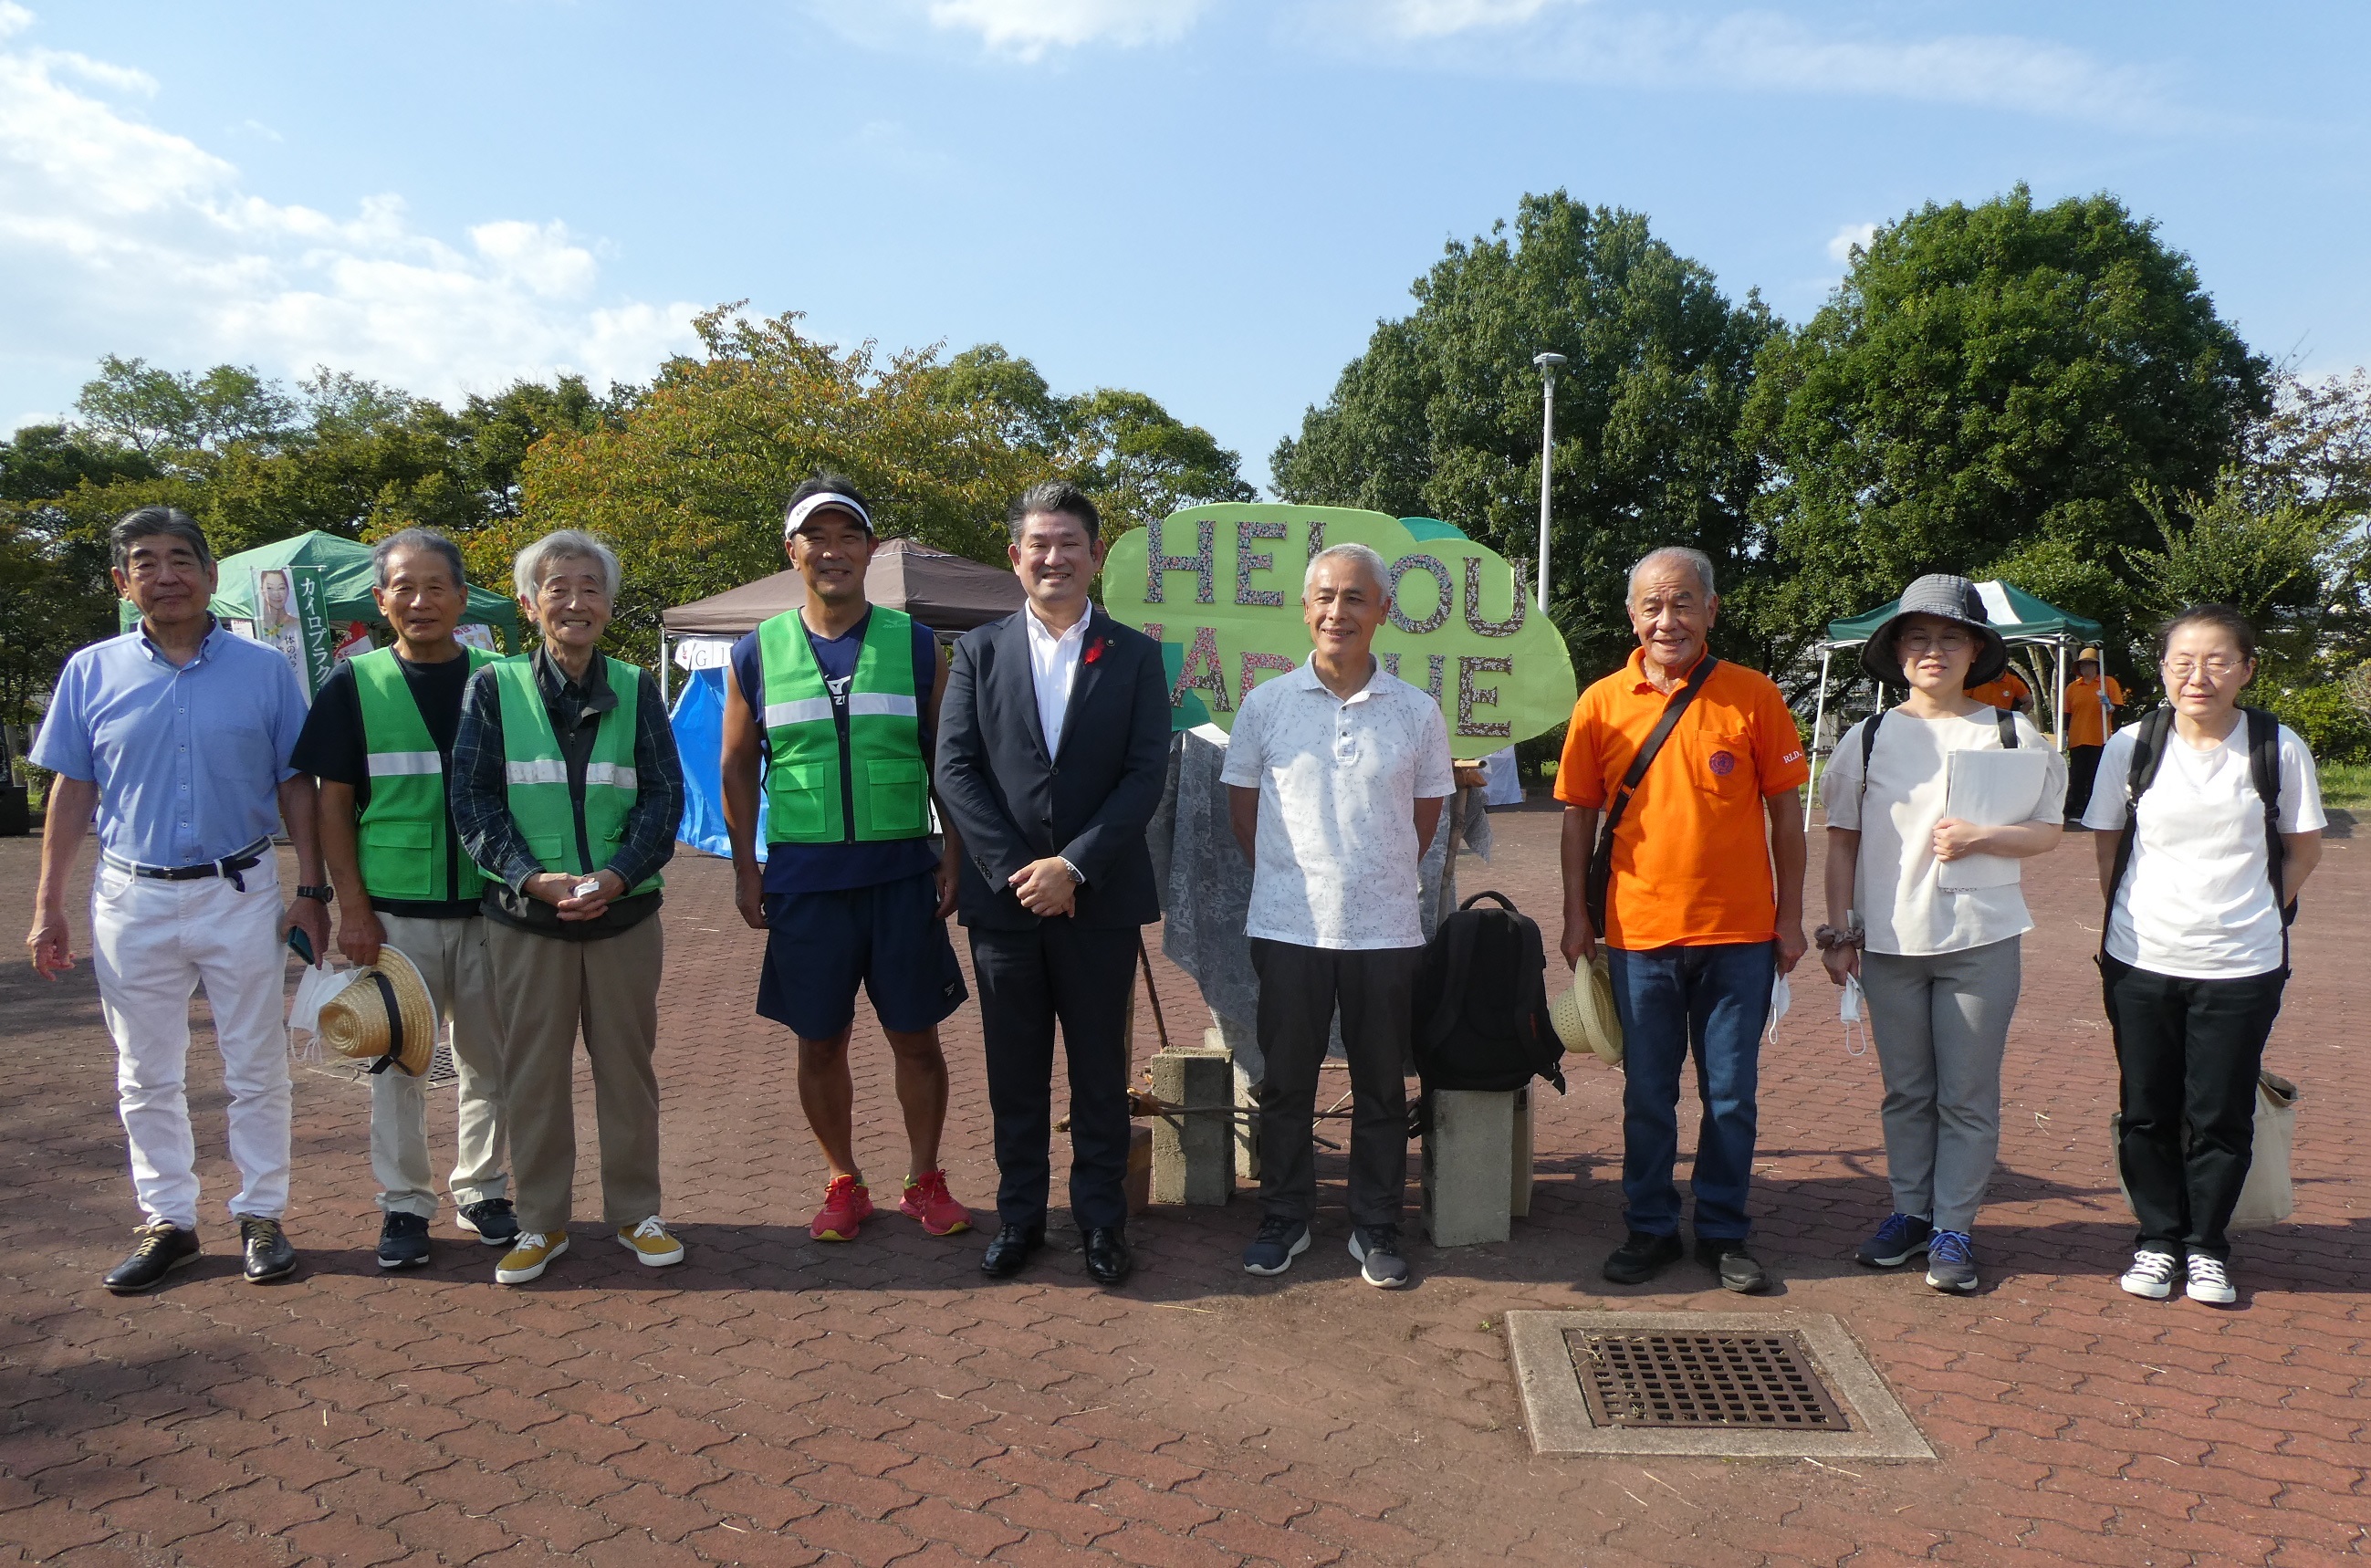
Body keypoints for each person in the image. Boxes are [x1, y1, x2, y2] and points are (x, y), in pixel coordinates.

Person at [26, 507, 327, 1291]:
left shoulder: (263, 671)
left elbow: (297, 782)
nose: (166, 577)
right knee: (144, 1071)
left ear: (209, 573)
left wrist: (311, 888)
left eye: (181, 560)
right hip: (133, 897)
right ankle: (169, 1218)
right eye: (146, 563)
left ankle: (263, 1212)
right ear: (122, 582)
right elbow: (72, 786)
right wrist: (48, 903)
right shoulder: (90, 671)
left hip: (241, 890)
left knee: (255, 1065)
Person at [719, 477, 973, 1244]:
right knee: (819, 1039)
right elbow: (735, 766)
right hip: (806, 882)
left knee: (917, 1038)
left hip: (902, 877)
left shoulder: (918, 644)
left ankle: (924, 1178)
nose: (833, 551)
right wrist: (744, 868)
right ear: (792, 551)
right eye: (816, 537)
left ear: (869, 548)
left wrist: (953, 854)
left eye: (849, 536)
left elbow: (948, 759)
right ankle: (842, 1179)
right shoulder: (755, 650)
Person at [935, 481, 1170, 1287]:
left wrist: (1073, 866)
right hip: (1005, 907)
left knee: (1100, 1074)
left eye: (1071, 543)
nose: (1055, 558)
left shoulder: (1135, 655)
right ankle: (1021, 1219)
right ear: (1015, 557)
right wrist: (1016, 870)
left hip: (1099, 900)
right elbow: (955, 769)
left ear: (1095, 555)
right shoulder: (978, 650)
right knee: (1015, 1071)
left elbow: (1145, 777)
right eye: (1040, 543)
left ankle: (1103, 1225)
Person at [1556, 546, 1809, 1293]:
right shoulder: (1600, 702)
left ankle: (1725, 1232)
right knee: (1648, 1093)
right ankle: (1651, 1227)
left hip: (1738, 938)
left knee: (1731, 1094)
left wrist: (1789, 920)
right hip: (1638, 937)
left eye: (1684, 603)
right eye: (1653, 606)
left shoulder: (1754, 695)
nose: (1669, 620)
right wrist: (1577, 915)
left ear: (1711, 609)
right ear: (1632, 616)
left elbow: (1786, 820)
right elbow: (1577, 819)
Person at [1816, 575, 2065, 1293]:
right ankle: (1909, 1213)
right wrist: (1841, 933)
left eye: (1950, 637)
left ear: (1976, 649)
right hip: (1890, 942)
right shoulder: (1866, 739)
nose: (1933, 650)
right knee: (1906, 1092)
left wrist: (1987, 834)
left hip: (1981, 938)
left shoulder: (2013, 732)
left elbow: (2047, 831)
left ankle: (1953, 1226)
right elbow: (1842, 844)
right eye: (1917, 637)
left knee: (1966, 1093)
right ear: (1896, 650)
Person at [450, 529, 686, 1285]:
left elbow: (663, 796)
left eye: (590, 587)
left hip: (622, 916)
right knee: (533, 1075)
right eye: (558, 587)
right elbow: (473, 800)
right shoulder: (494, 687)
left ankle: (635, 1212)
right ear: (530, 603)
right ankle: (541, 1223)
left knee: (628, 1071)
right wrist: (530, 879)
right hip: (527, 919)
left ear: (610, 605)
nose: (575, 601)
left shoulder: (637, 685)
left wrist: (617, 876)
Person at [1222, 543, 1454, 1289]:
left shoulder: (1417, 712)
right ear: (1303, 608)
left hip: (1386, 930)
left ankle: (1375, 1224)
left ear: (1383, 611)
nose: (1338, 612)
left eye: (1356, 598)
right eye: (1325, 596)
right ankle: (1285, 1217)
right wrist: (1303, 881)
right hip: (1288, 925)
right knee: (1286, 1081)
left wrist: (1369, 878)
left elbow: (1423, 819)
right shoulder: (1265, 704)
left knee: (1382, 1086)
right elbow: (1245, 813)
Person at [292, 528, 518, 1269]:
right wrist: (350, 907)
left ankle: (483, 1189)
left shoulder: (504, 678)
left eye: (436, 587)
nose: (420, 602)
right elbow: (333, 803)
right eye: (403, 588)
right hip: (394, 915)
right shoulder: (353, 684)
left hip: (492, 910)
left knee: (491, 1063)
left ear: (462, 597)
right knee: (397, 1063)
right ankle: (404, 1206)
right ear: (380, 599)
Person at [2084, 605, 2324, 1306]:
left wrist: (2256, 909)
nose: (2199, 675)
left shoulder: (2278, 748)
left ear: (2247, 669)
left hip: (2243, 963)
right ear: (2162, 669)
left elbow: (2302, 848)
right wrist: (2131, 914)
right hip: (2140, 956)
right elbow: (2107, 844)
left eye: (2218, 660)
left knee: (2220, 1111)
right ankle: (2158, 1240)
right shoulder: (2132, 744)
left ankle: (2208, 1246)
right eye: (2183, 660)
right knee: (2146, 1107)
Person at [2061, 647, 2126, 821]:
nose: (2086, 668)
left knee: (2095, 774)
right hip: (2077, 737)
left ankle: (2094, 809)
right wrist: (2064, 734)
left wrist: (2108, 704)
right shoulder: (2073, 687)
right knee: (2077, 774)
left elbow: (2117, 708)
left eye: (2090, 664)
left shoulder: (2108, 683)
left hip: (2099, 736)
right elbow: (2066, 713)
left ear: (2097, 666)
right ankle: (2076, 809)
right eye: (2083, 665)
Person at [1963, 666, 2032, 716]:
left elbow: (2029, 701)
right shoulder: (1978, 679)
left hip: (2001, 720)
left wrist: (2017, 717)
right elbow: (1960, 698)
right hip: (1978, 718)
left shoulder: (2013, 682)